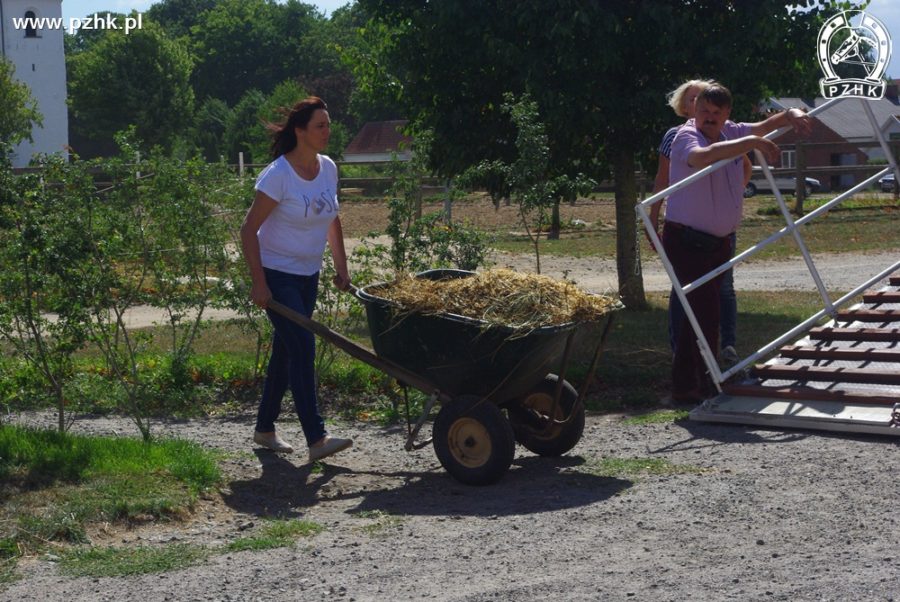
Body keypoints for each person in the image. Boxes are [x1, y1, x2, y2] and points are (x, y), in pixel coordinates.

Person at [663, 84, 810, 403]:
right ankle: (696, 385)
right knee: (704, 312)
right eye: (704, 111)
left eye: (717, 113)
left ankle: (694, 384)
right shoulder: (685, 136)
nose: (710, 119)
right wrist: (752, 142)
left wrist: (792, 114)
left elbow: (767, 125)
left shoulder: (731, 131)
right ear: (694, 110)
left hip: (717, 241)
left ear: (727, 114)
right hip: (688, 239)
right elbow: (702, 158)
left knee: (704, 313)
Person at [240, 96, 354, 461]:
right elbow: (247, 230)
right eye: (320, 125)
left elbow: (331, 218)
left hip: (308, 274)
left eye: (328, 124)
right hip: (277, 275)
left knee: (287, 350)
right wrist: (259, 283)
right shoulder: (279, 175)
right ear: (300, 131)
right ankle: (317, 439)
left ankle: (264, 429)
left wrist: (341, 266)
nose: (327, 131)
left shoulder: (328, 168)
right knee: (303, 346)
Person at [648, 79, 751, 366]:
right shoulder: (678, 136)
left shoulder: (724, 133)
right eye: (694, 100)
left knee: (725, 288)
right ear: (685, 106)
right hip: (690, 228)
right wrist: (653, 219)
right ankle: (685, 354)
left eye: (704, 101)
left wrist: (731, 197)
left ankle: (726, 346)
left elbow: (744, 164)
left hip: (720, 229)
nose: (700, 107)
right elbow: (662, 179)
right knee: (688, 291)